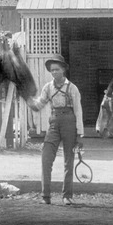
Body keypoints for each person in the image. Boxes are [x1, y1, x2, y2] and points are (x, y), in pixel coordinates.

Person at [30, 54, 84, 205]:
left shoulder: (72, 88)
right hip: (54, 123)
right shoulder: (48, 87)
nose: (54, 72)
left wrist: (80, 134)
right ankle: (45, 196)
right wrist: (28, 100)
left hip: (69, 123)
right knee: (46, 157)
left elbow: (78, 111)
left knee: (68, 160)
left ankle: (67, 196)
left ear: (63, 71)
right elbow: (39, 104)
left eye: (57, 69)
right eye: (52, 70)